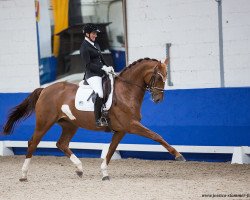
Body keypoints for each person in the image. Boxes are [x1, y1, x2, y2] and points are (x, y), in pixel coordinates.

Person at [80, 23, 114, 127]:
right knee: (100, 93)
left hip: (101, 72)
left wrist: (108, 67)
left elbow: (101, 59)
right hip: (92, 75)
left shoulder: (96, 44)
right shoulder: (84, 47)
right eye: (94, 34)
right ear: (87, 34)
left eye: (96, 33)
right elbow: (88, 65)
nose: (96, 35)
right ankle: (98, 119)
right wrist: (102, 68)